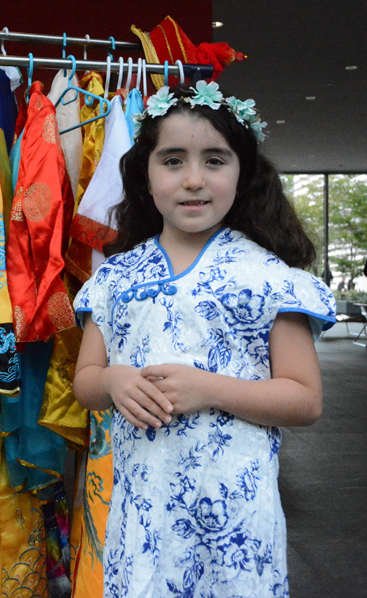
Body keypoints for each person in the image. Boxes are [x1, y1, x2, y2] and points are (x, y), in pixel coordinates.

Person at [72, 82, 336, 598]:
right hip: (140, 517)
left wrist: (209, 389)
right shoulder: (115, 278)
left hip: (236, 522)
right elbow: (85, 384)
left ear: (244, 174)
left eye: (215, 160)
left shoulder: (271, 278)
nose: (194, 180)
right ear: (145, 175)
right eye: (173, 160)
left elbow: (305, 399)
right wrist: (114, 380)